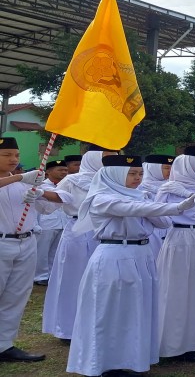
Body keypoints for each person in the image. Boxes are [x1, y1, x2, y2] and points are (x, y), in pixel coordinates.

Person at [65, 155, 195, 376]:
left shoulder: (141, 197)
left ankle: (131, 359)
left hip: (142, 254)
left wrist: (154, 205)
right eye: (131, 174)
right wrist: (176, 206)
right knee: (109, 310)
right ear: (115, 175)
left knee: (137, 309)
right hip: (115, 254)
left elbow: (163, 222)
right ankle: (104, 364)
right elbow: (130, 208)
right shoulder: (101, 198)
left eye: (140, 173)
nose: (137, 178)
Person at [0, 137, 66, 362]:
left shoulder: (26, 183)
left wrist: (39, 193)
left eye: (16, 155)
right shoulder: (21, 179)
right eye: (7, 155)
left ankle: (4, 345)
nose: (13, 159)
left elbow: (49, 208)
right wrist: (21, 177)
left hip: (25, 242)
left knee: (16, 296)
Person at [43, 146, 117, 341]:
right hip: (78, 232)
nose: (111, 163)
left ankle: (100, 325)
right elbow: (51, 205)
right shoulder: (72, 180)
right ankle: (68, 328)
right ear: (93, 159)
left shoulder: (114, 180)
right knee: (73, 279)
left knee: (105, 280)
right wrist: (39, 192)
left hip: (107, 231)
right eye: (107, 158)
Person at [156, 146, 195, 362]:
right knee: (178, 291)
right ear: (190, 165)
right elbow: (158, 215)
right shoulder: (169, 188)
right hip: (181, 239)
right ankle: (174, 345)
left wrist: (192, 195)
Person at [33, 160, 72, 286]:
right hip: (46, 224)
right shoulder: (40, 186)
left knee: (56, 251)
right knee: (42, 251)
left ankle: (51, 275)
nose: (64, 172)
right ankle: (40, 275)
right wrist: (35, 224)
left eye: (65, 170)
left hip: (63, 223)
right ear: (48, 172)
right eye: (60, 170)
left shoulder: (66, 185)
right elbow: (34, 208)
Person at [140, 154, 176, 258]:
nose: (170, 171)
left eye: (172, 168)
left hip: (171, 233)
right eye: (166, 168)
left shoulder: (174, 187)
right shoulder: (139, 188)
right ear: (154, 168)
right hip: (150, 235)